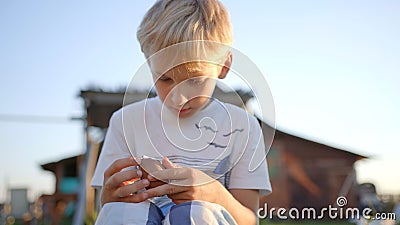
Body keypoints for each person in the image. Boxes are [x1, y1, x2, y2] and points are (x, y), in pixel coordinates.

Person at [91, 0, 272, 224]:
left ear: (224, 66)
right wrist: (109, 200)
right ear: (149, 64)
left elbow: (249, 219)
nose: (179, 98)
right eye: (165, 79)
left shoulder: (243, 125)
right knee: (129, 213)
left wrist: (212, 192)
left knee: (196, 213)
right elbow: (108, 212)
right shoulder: (125, 122)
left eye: (195, 80)